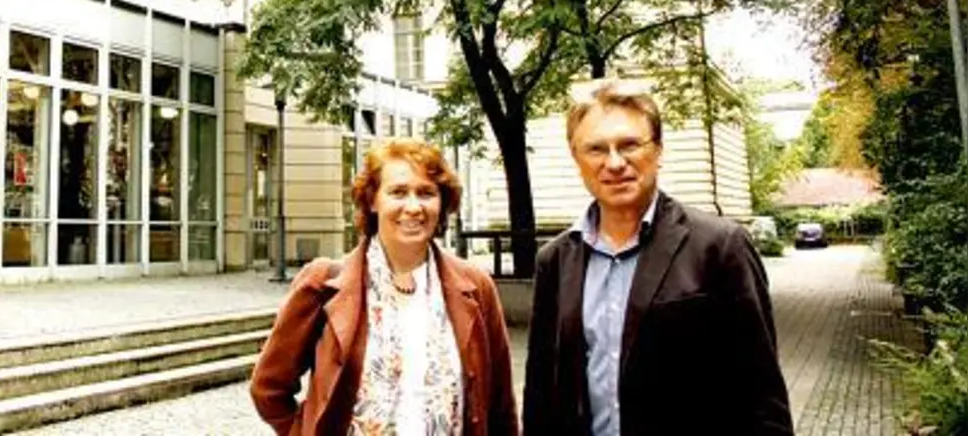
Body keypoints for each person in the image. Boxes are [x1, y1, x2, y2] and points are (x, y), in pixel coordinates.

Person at [521, 81, 792, 436]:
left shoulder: (720, 247)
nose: (615, 163)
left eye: (630, 144)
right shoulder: (555, 261)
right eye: (596, 149)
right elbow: (541, 394)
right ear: (577, 159)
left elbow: (761, 394)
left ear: (658, 150)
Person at [251, 137, 519, 435]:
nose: (414, 207)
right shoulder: (323, 284)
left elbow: (501, 407)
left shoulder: (475, 287)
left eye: (427, 193)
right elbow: (269, 388)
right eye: (399, 192)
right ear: (373, 201)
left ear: (442, 202)